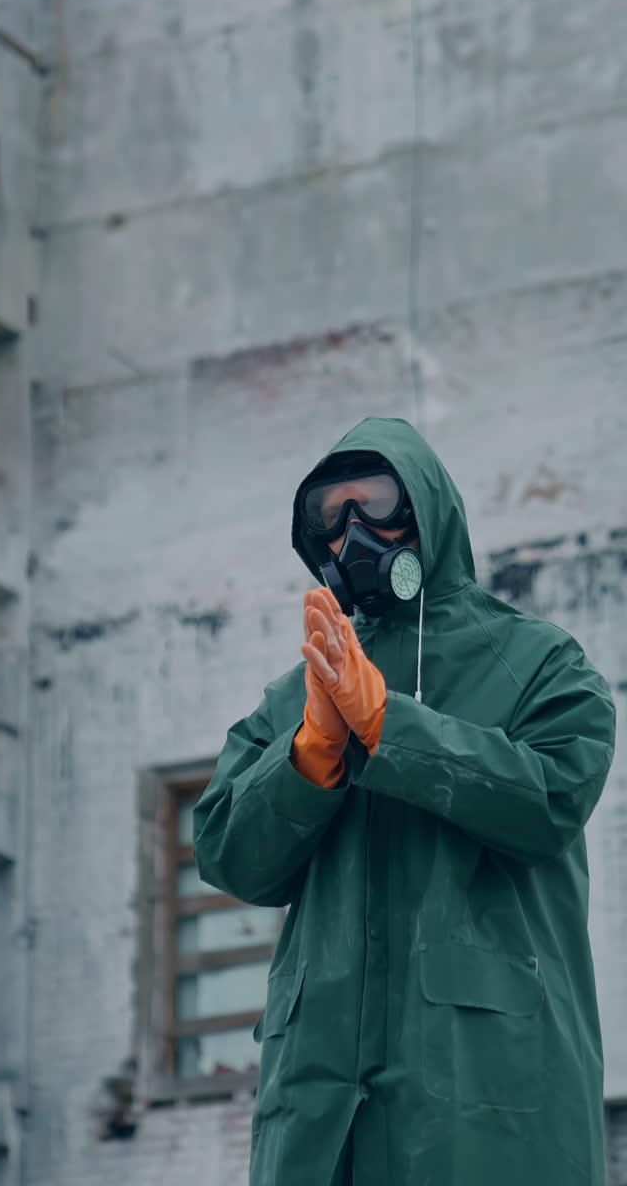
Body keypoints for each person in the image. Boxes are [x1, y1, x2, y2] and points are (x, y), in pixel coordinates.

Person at [193, 417, 615, 1186]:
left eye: (378, 503)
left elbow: (552, 800)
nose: (356, 533)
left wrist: (392, 727)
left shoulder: (539, 664)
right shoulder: (297, 695)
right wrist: (311, 749)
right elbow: (227, 853)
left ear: (427, 510)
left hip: (482, 1097)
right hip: (318, 1112)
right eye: (333, 515)